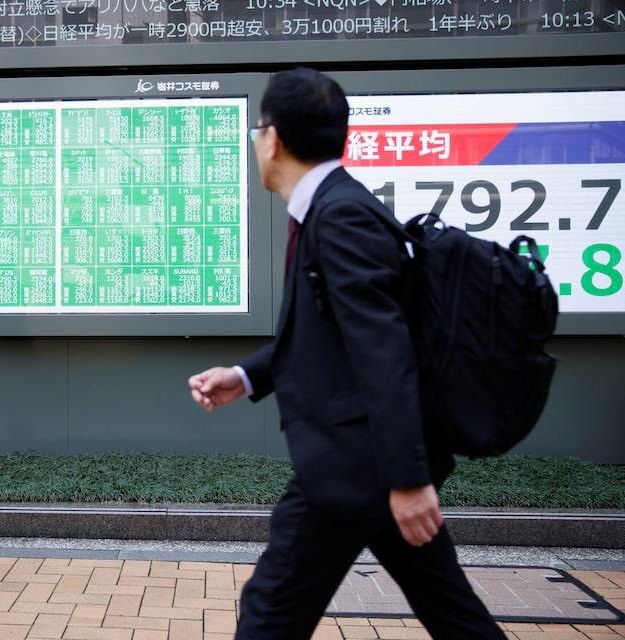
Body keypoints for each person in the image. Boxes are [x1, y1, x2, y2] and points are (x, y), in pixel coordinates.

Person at [188, 69, 506, 639]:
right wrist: (246, 375)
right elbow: (328, 337)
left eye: (257, 131)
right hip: (370, 465)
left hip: (353, 467)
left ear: (273, 139)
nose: (256, 143)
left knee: (269, 612)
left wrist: (407, 480)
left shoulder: (341, 217)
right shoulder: (331, 209)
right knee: (454, 614)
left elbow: (384, 348)